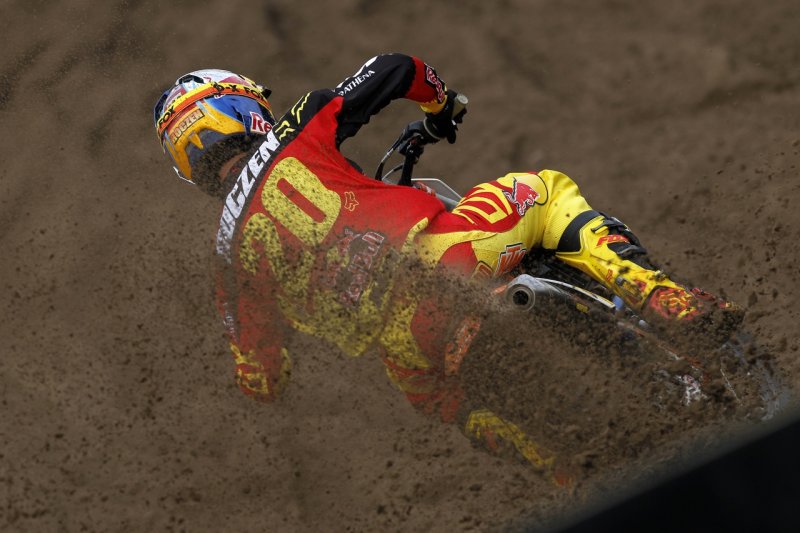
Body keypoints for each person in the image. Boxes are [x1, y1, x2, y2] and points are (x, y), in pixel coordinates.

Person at [153, 53, 738, 485]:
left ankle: (571, 474)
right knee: (545, 190)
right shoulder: (294, 129)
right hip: (447, 260)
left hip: (410, 349)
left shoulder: (228, 259)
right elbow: (396, 67)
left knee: (450, 406)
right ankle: (666, 300)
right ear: (239, 108)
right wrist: (440, 106)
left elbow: (262, 382)